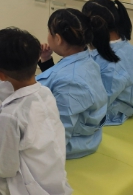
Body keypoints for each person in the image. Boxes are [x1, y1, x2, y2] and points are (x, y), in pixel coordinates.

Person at [0, 28, 72, 195]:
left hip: (25, 194)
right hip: (53, 182)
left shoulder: (10, 116)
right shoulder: (45, 93)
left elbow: (3, 168)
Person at [36, 9, 109, 159]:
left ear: (58, 39)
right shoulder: (86, 60)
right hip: (88, 137)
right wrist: (46, 60)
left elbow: (61, 132)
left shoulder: (70, 82)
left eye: (49, 32)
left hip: (71, 146)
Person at [82, 0, 133, 125]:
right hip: (128, 103)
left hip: (113, 112)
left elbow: (99, 103)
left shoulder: (110, 64)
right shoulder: (124, 45)